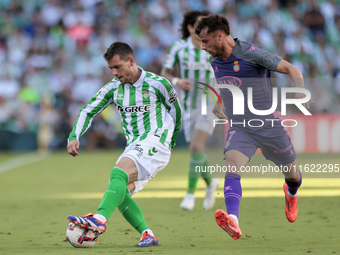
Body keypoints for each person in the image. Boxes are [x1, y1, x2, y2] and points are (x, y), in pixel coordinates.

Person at [195, 14, 310, 240]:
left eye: (205, 41)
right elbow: (226, 83)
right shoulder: (215, 59)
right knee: (232, 167)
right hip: (241, 127)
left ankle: (291, 192)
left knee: (293, 176)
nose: (202, 47)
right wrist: (220, 103)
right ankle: (233, 220)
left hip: (269, 126)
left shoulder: (252, 53)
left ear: (219, 36)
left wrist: (300, 93)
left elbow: (293, 70)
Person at [66, 41, 182, 246]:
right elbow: (87, 111)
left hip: (156, 141)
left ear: (131, 61)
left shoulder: (158, 83)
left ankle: (99, 220)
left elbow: (176, 112)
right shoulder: (113, 89)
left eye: (117, 67)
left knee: (117, 174)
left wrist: (170, 141)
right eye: (111, 68)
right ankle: (147, 233)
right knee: (118, 191)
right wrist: (74, 135)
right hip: (135, 146)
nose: (114, 73)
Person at [161, 10, 219, 211]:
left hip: (208, 105)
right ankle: (211, 183)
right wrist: (176, 81)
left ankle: (190, 194)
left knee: (195, 147)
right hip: (186, 107)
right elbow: (165, 74)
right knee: (197, 151)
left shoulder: (214, 46)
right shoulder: (179, 48)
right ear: (189, 27)